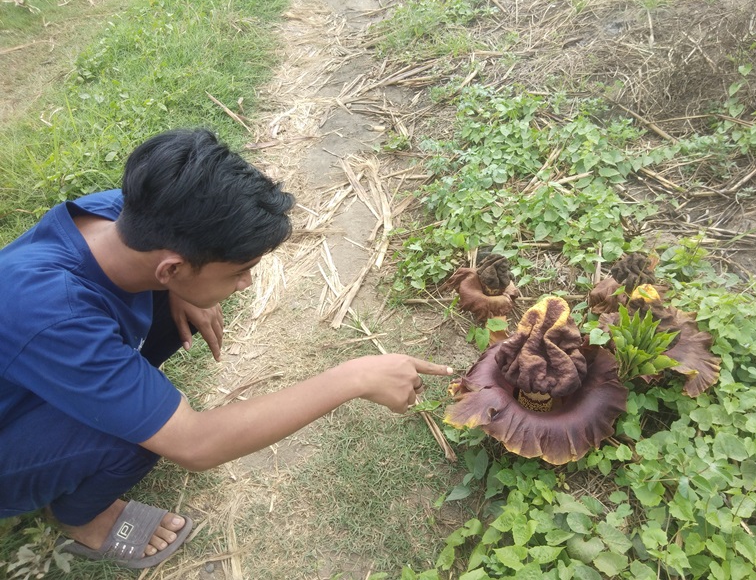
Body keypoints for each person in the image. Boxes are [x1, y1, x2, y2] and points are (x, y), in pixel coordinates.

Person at [0, 129, 452, 568]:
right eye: (239, 271)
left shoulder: (124, 214)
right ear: (170, 267)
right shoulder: (54, 310)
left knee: (162, 340)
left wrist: (178, 289)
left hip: (36, 370)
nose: (246, 283)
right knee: (135, 435)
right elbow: (195, 444)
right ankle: (82, 518)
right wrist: (355, 377)